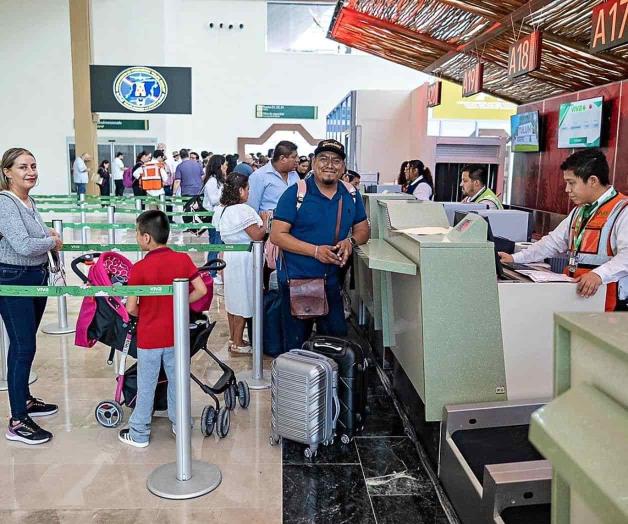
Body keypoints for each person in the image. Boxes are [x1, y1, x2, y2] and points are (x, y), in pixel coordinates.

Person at [270, 139, 370, 353]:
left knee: (335, 344)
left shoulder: (351, 194)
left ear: (343, 166)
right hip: (297, 282)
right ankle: (298, 386)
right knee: (296, 349)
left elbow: (363, 230)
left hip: (332, 283)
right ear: (314, 162)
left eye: (336, 160)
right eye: (323, 159)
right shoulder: (296, 194)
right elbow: (277, 235)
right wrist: (316, 252)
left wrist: (349, 242)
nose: (329, 165)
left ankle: (329, 386)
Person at [119, 210, 207, 447]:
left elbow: (131, 307)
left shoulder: (139, 269)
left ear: (146, 238)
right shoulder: (182, 260)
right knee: (178, 381)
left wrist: (146, 312)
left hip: (149, 338)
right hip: (177, 335)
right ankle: (181, 425)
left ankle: (139, 433)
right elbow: (201, 290)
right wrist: (179, 304)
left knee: (146, 385)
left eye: (138, 234)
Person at [499, 149, 628, 311]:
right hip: (579, 297)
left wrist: (599, 274)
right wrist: (515, 258)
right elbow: (552, 243)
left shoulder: (622, 211)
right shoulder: (580, 211)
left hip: (611, 302)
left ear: (593, 181)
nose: (567, 189)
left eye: (572, 182)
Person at [0, 148, 63, 445]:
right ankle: (17, 421)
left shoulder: (28, 201)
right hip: (14, 280)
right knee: (23, 346)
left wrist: (45, 237)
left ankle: (24, 400)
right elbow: (24, 246)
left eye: (34, 166)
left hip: (35, 276)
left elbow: (33, 239)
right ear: (7, 172)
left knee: (27, 344)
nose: (31, 172)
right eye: (23, 167)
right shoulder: (5, 203)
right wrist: (50, 239)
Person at [213, 174, 265, 355]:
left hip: (230, 256)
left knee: (233, 298)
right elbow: (257, 235)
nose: (249, 192)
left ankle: (233, 338)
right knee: (243, 298)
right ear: (241, 190)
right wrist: (266, 222)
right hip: (244, 258)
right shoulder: (243, 210)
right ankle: (238, 342)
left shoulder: (223, 209)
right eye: (248, 188)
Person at [247, 141, 299, 215]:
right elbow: (251, 209)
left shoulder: (294, 175)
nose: (297, 160)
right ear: (282, 158)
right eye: (294, 157)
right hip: (269, 224)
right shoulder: (259, 176)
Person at [203, 155, 227, 277]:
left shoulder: (218, 180)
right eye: (224, 164)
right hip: (214, 217)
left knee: (216, 244)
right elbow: (213, 200)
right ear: (219, 166)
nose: (226, 167)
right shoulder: (212, 181)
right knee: (215, 244)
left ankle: (211, 271)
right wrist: (226, 196)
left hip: (219, 216)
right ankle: (211, 273)